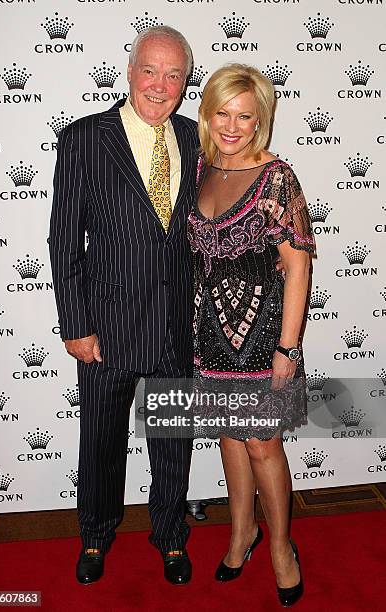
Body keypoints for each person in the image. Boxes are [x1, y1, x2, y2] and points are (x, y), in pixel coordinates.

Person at [49, 26, 199, 585]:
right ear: (129, 71)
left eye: (174, 74)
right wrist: (76, 323)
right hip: (105, 326)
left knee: (171, 441)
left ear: (186, 81)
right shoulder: (85, 138)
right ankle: (94, 535)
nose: (161, 85)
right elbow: (65, 241)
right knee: (102, 442)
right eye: (150, 71)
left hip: (176, 325)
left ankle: (170, 536)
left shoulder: (197, 137)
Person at [187, 64, 315, 606]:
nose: (233, 126)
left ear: (261, 119)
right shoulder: (199, 168)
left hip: (263, 338)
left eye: (245, 115)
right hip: (210, 333)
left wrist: (288, 347)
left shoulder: (277, 176)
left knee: (263, 443)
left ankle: (281, 546)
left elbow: (298, 266)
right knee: (228, 436)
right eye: (224, 112)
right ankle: (242, 533)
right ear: (209, 113)